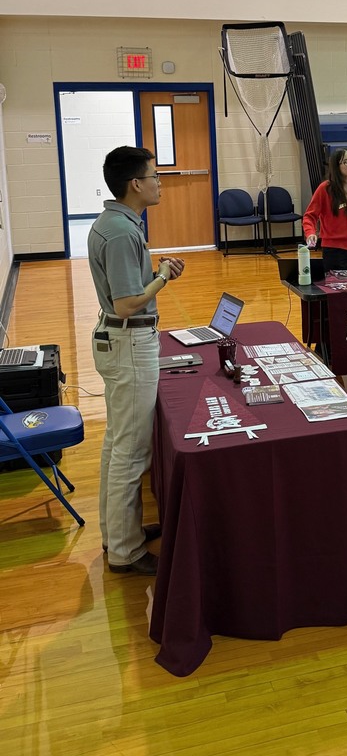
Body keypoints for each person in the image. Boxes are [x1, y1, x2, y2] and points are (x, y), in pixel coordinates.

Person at [88, 146, 185, 575]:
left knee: (117, 443)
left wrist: (155, 270)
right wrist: (162, 277)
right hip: (128, 342)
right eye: (155, 176)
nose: (159, 182)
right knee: (131, 451)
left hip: (116, 340)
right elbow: (128, 303)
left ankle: (117, 535)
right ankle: (126, 553)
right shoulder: (123, 232)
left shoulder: (115, 223)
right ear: (136, 184)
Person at [303, 148, 347, 273]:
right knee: (336, 289)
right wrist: (310, 233)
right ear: (336, 166)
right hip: (334, 250)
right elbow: (309, 216)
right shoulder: (325, 189)